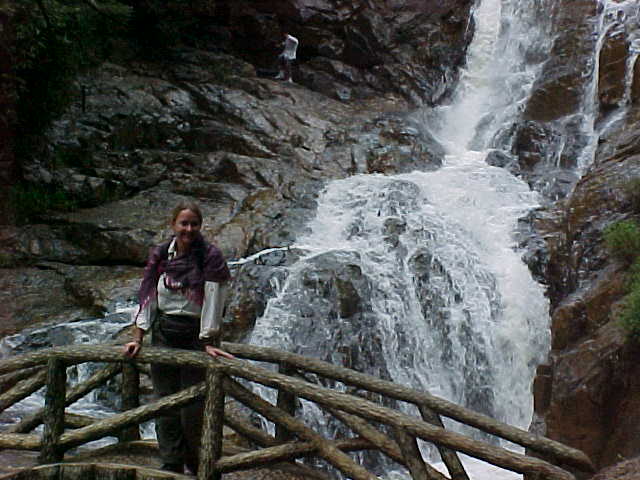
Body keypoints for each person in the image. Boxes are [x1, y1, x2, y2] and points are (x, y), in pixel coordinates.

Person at [123, 201, 233, 475]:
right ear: (173, 225)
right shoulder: (161, 255)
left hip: (195, 336)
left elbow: (213, 302)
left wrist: (208, 339)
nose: (189, 229)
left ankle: (198, 463)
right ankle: (171, 462)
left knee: (192, 407)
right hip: (163, 333)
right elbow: (149, 298)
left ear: (200, 226)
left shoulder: (210, 257)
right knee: (164, 402)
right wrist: (138, 336)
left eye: (194, 224)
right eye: (183, 223)